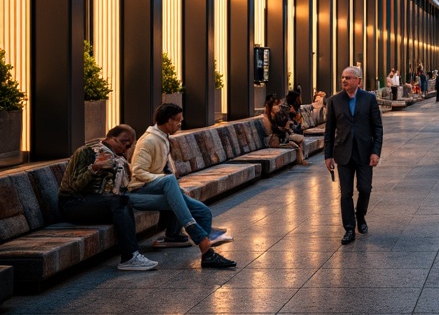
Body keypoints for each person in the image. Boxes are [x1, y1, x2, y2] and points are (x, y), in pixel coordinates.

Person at [127, 103, 236, 268]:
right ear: (168, 120)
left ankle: (200, 251)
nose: (180, 123)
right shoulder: (148, 140)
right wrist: (164, 180)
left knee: (204, 212)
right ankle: (203, 242)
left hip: (156, 187)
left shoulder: (163, 137)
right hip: (140, 191)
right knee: (170, 181)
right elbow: (138, 172)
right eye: (178, 120)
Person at [58, 125, 158, 272]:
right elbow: (74, 186)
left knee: (124, 201)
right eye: (124, 142)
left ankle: (132, 255)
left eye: (129, 145)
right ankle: (130, 256)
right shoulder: (86, 152)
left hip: (94, 202)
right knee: (119, 202)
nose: (125, 147)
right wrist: (94, 168)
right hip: (72, 203)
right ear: (111, 138)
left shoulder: (117, 158)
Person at [324, 66, 384, 246]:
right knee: (346, 193)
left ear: (358, 80)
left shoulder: (369, 99)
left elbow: (377, 128)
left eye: (348, 78)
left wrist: (376, 151)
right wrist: (328, 155)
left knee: (365, 189)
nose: (344, 80)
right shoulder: (335, 101)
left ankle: (360, 215)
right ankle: (349, 228)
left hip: (365, 153)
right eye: (343, 77)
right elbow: (329, 130)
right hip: (343, 153)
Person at [263, 94, 308, 164]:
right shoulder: (266, 118)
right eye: (276, 105)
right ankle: (301, 161)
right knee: (296, 145)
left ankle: (302, 160)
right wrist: (286, 128)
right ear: (269, 106)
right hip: (273, 141)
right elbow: (271, 134)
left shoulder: (275, 116)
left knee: (298, 142)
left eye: (278, 105)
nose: (278, 108)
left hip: (280, 138)